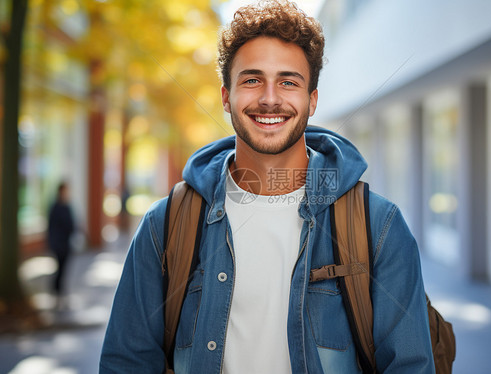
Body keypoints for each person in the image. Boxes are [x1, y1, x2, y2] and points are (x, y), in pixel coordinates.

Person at [100, 1, 435, 373]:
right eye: (252, 79)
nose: (270, 98)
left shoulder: (378, 225)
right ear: (226, 96)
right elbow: (125, 363)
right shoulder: (167, 224)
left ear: (312, 100)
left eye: (288, 82)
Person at [47, 182, 75, 302]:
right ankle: (56, 289)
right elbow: (52, 227)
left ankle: (59, 289)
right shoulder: (55, 207)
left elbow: (72, 225)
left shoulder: (67, 207)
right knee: (60, 267)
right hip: (58, 243)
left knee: (64, 268)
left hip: (66, 243)